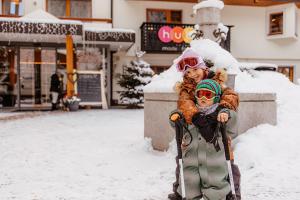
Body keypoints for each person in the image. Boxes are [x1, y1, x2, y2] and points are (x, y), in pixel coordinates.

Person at [168, 48, 241, 200]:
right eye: (187, 72)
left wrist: (219, 111)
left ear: (203, 67)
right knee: (184, 162)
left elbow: (230, 96)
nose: (192, 74)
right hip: (195, 130)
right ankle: (180, 190)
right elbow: (185, 104)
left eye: (195, 70)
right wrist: (196, 117)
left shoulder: (217, 81)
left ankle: (234, 193)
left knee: (228, 164)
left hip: (217, 127)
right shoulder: (186, 89)